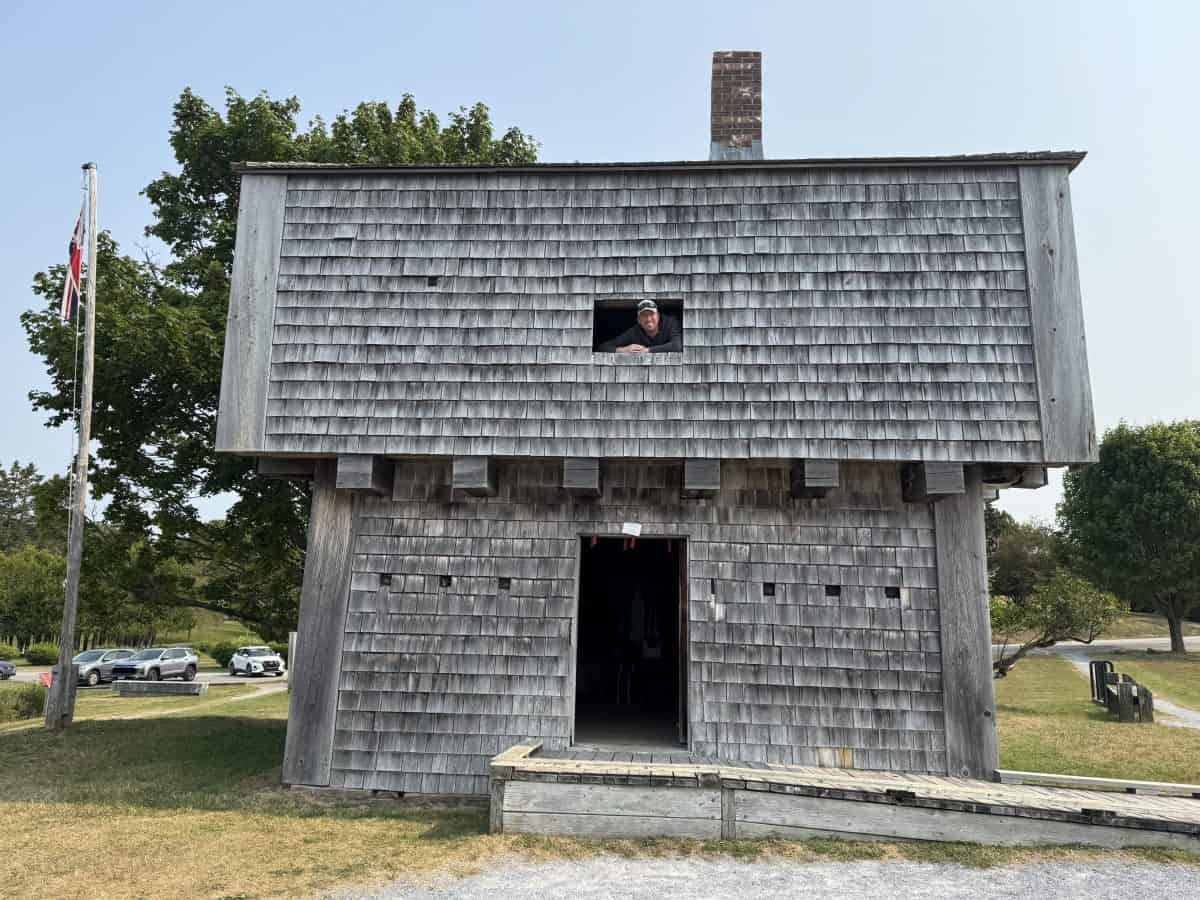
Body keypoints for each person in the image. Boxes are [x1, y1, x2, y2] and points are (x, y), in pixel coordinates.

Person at [598, 300, 682, 353]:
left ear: (658, 316)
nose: (648, 319)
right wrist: (623, 350)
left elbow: (677, 345)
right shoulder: (634, 332)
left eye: (651, 314)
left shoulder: (670, 322)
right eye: (644, 315)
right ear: (638, 320)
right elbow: (603, 347)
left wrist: (647, 350)